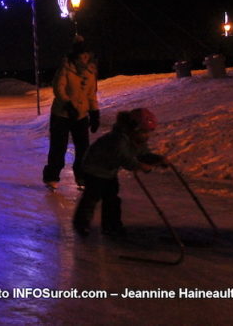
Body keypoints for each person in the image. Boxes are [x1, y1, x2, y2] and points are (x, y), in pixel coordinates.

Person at [72, 108, 168, 236]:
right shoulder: (118, 140)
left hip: (109, 171)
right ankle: (81, 224)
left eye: (148, 133)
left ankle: (111, 226)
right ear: (135, 129)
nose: (146, 136)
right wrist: (140, 166)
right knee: (92, 197)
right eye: (144, 132)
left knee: (112, 199)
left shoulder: (136, 139)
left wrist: (157, 159)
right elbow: (124, 159)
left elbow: (142, 153)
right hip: (93, 169)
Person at [42, 37, 100, 190]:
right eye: (82, 54)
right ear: (75, 56)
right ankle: (52, 177)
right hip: (62, 114)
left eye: (87, 54)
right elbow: (58, 88)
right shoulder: (66, 68)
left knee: (83, 148)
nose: (85, 57)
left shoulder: (91, 72)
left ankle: (82, 177)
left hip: (80, 116)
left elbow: (91, 94)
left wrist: (95, 112)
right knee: (58, 147)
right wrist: (68, 104)